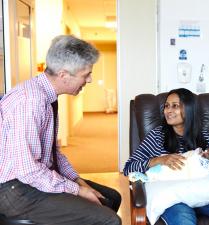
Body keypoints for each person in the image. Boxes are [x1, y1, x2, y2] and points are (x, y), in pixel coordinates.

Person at [0, 35, 121, 225]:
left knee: (111, 198)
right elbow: (28, 170)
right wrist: (77, 190)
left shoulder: (47, 96)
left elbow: (52, 153)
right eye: (86, 74)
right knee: (109, 220)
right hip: (14, 190)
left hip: (31, 178)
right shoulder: (30, 101)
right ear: (64, 75)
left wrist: (77, 180)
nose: (89, 80)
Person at [123, 88, 209, 225]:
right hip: (175, 199)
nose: (168, 110)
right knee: (183, 218)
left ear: (190, 109)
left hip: (204, 194)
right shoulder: (157, 136)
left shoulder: (204, 136)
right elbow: (128, 167)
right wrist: (158, 160)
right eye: (166, 106)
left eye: (175, 106)